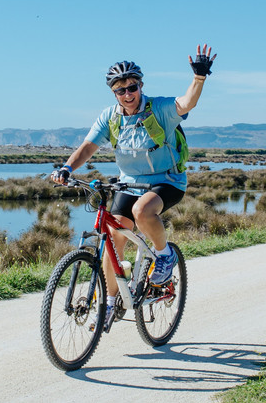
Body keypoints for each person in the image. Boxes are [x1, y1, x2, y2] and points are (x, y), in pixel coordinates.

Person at [51, 45, 216, 330]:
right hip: (129, 184)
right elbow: (89, 146)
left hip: (167, 181)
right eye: (120, 90)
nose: (128, 94)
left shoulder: (159, 109)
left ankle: (164, 255)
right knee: (113, 238)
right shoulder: (110, 117)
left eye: (132, 87)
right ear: (113, 93)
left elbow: (186, 103)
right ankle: (111, 303)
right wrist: (67, 168)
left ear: (141, 85)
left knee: (142, 211)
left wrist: (198, 78)